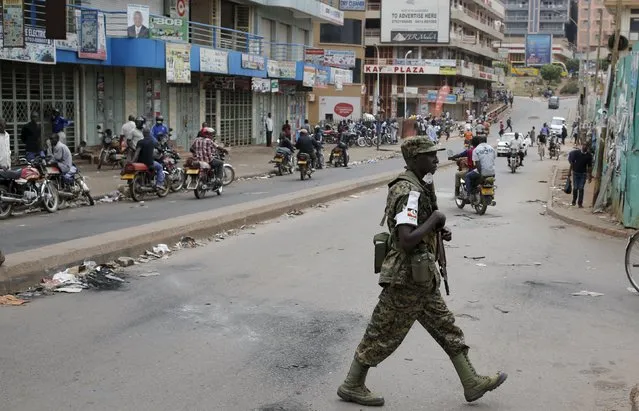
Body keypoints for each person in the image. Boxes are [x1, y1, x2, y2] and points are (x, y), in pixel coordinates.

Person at [337, 136, 506, 407]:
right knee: (382, 333)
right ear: (415, 159)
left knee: (446, 328)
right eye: (430, 156)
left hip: (421, 277)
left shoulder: (419, 185)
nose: (436, 160)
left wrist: (438, 229)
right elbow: (405, 239)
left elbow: (418, 227)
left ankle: (471, 382)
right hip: (405, 278)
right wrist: (435, 220)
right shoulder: (408, 191)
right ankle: (352, 384)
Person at [133, 123, 164, 189]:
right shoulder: (153, 141)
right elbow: (159, 148)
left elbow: (136, 153)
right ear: (149, 133)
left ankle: (149, 181)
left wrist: (133, 161)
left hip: (140, 162)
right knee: (160, 167)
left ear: (143, 134)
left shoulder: (140, 142)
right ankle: (159, 184)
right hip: (149, 163)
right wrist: (161, 150)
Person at [568, 143, 593, 208]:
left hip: (583, 174)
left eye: (586, 146)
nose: (584, 147)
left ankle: (580, 203)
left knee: (581, 188)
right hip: (575, 173)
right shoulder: (576, 153)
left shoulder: (589, 156)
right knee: (575, 188)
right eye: (583, 145)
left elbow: (589, 167)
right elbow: (572, 163)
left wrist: (589, 176)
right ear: (582, 146)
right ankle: (573, 201)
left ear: (588, 147)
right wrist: (569, 172)